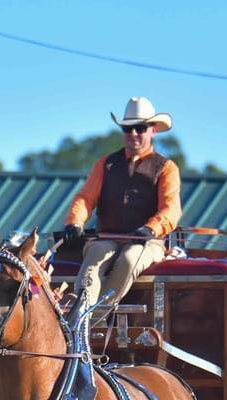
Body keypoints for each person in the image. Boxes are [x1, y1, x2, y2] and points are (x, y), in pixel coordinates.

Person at [63, 96, 182, 307]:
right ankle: (81, 317)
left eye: (140, 128)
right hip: (107, 238)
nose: (133, 134)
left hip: (149, 242)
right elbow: (85, 198)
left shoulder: (166, 168)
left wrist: (151, 229)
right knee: (96, 255)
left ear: (152, 130)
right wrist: (74, 222)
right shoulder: (105, 164)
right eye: (128, 129)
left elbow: (171, 209)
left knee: (129, 258)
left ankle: (92, 321)